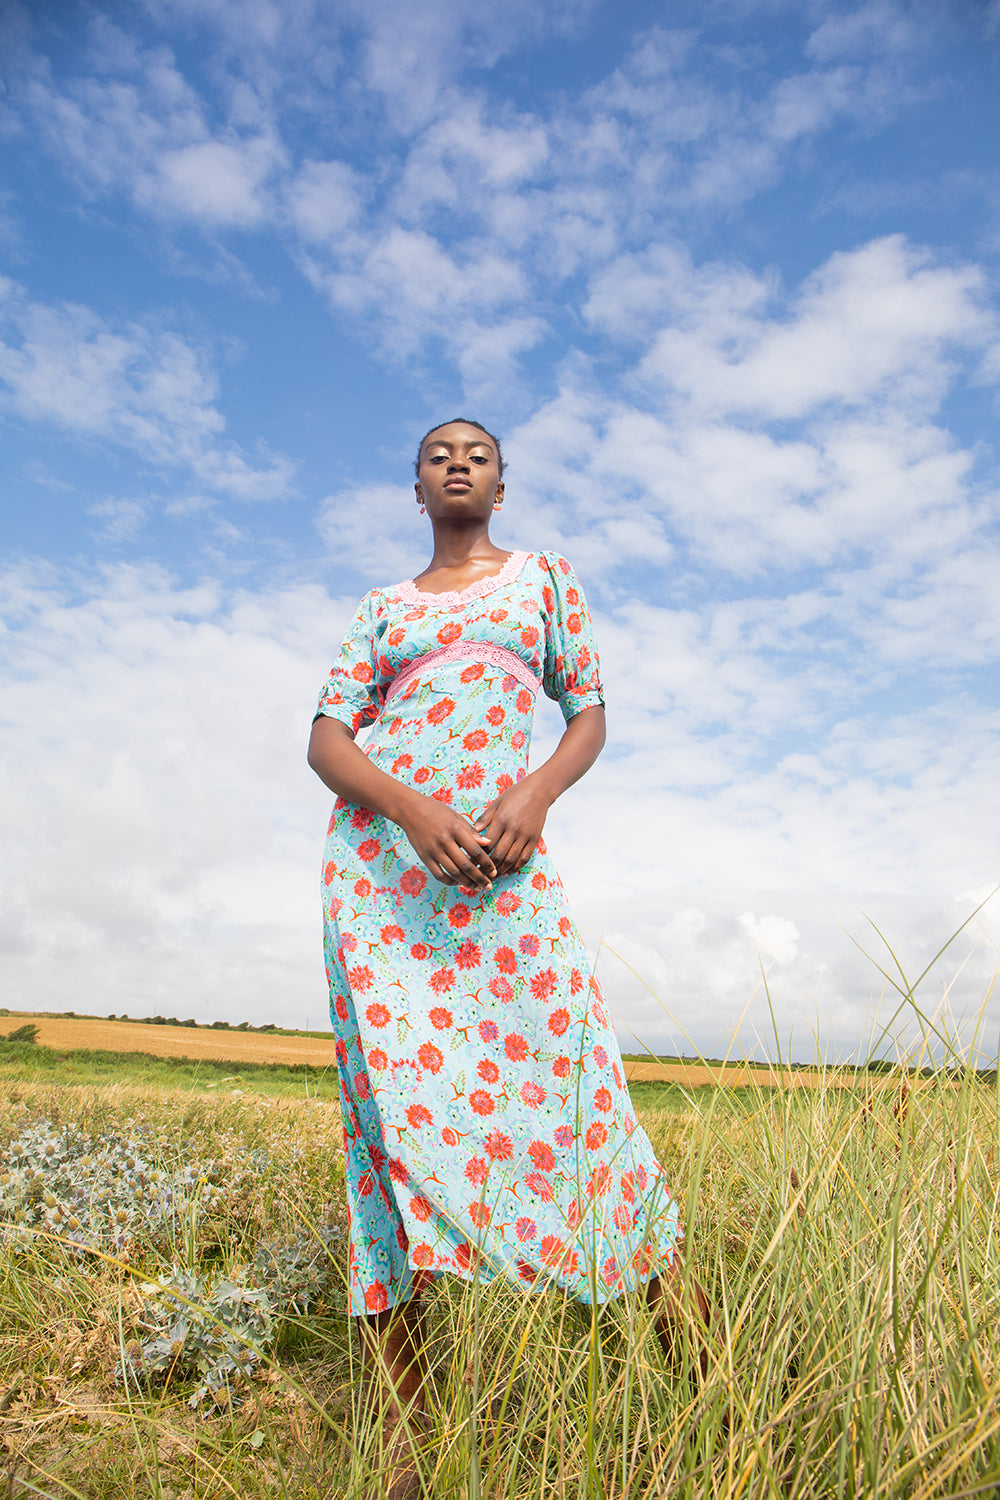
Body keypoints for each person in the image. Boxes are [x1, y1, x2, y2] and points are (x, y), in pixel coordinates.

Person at [308, 419, 708, 1488]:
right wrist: (408, 810)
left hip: (503, 871)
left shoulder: (544, 583)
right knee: (386, 1133)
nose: (456, 462)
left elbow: (587, 711)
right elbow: (326, 740)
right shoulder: (382, 611)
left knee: (584, 1102)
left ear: (501, 481)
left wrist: (530, 796)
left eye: (476, 452)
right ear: (414, 485)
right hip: (384, 888)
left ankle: (708, 1385)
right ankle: (405, 1443)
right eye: (437, 452)